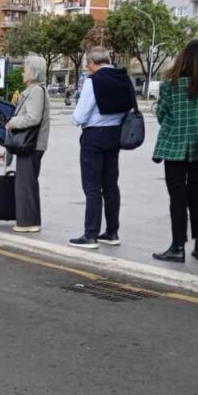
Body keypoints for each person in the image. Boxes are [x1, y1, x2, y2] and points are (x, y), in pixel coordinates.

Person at [150, 40, 198, 263]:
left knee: (177, 198)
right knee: (197, 196)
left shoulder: (170, 86)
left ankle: (178, 246)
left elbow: (161, 115)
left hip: (174, 148)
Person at [68, 47, 133, 249]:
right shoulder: (123, 78)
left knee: (92, 187)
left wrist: (74, 117)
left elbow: (79, 116)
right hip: (115, 136)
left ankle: (90, 234)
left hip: (94, 137)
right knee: (111, 185)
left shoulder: (93, 82)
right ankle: (112, 231)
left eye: (87, 65)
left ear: (92, 63)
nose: (87, 69)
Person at [4, 55, 51, 233]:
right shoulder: (33, 90)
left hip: (32, 144)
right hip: (32, 144)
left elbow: (33, 117)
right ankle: (28, 220)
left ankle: (28, 222)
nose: (23, 72)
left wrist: (12, 122)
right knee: (26, 182)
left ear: (33, 71)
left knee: (26, 183)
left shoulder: (37, 91)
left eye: (25, 69)